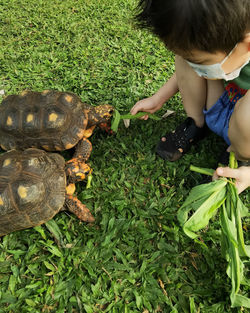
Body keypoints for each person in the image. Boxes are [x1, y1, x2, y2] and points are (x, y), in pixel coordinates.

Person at [130, 0, 250, 193]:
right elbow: (190, 67)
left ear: (246, 46)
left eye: (202, 63)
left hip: (245, 130)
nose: (198, 71)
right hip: (221, 104)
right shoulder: (226, 36)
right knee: (185, 58)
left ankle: (242, 158)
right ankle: (196, 123)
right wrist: (158, 98)